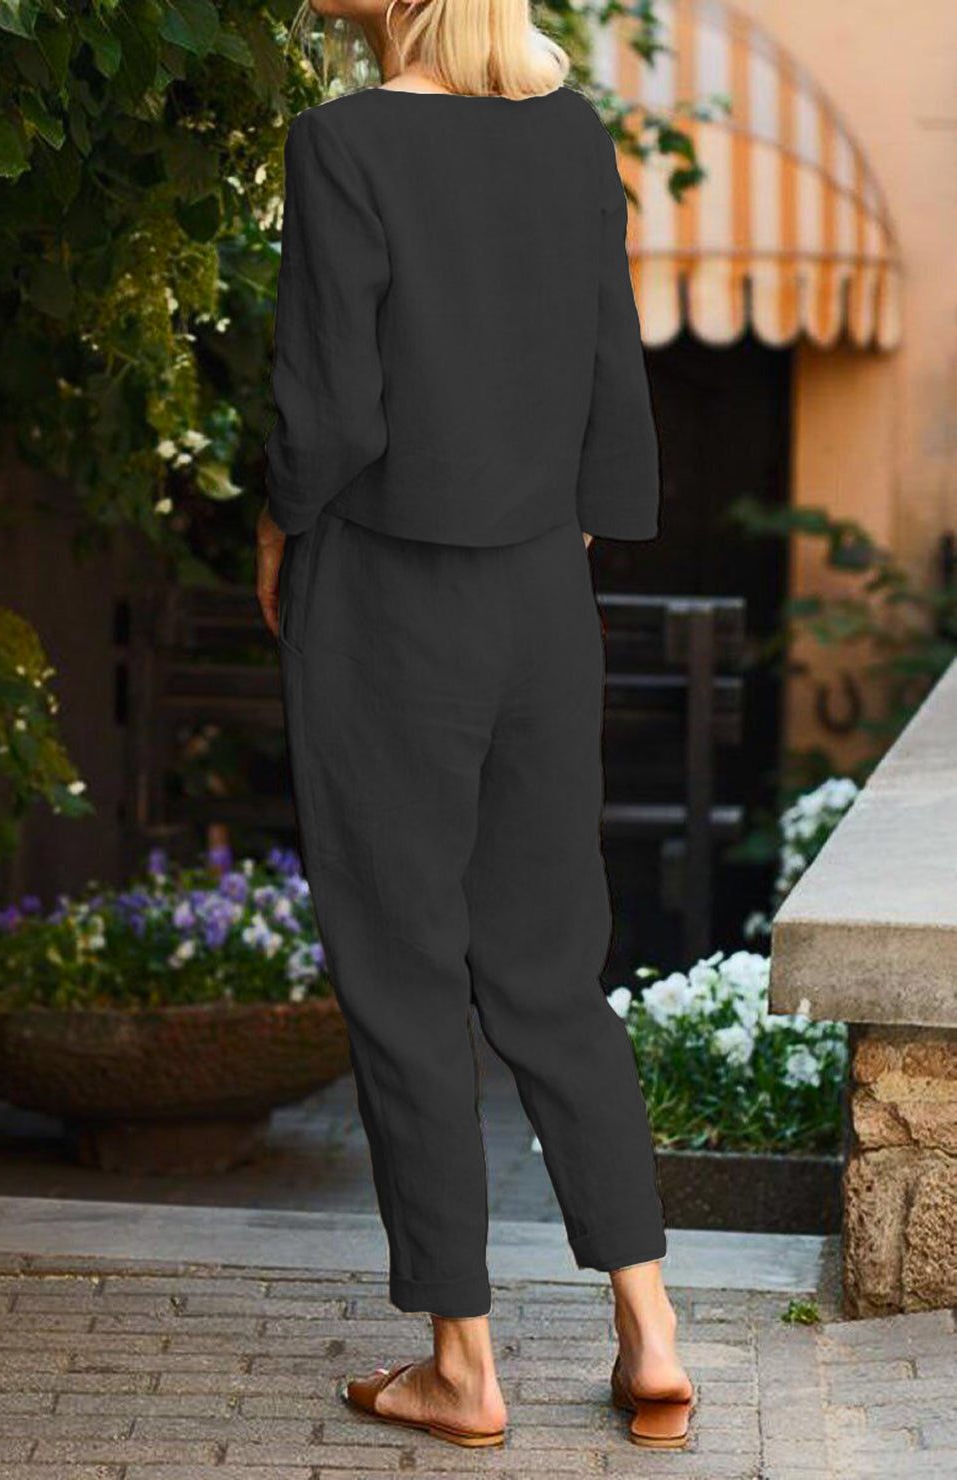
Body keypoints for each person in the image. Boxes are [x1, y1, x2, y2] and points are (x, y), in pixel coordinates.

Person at [255, 0, 695, 1453]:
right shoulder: (570, 139)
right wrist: (568, 539)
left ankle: (463, 1365)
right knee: (550, 971)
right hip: (542, 593)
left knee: (403, 976)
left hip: (387, 596)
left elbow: (330, 403)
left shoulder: (342, 143)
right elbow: (610, 375)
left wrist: (279, 523)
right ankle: (650, 1331)